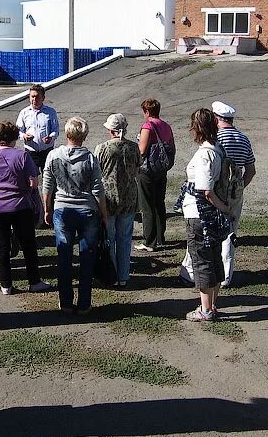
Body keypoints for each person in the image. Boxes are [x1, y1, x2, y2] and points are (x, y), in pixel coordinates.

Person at [180, 102, 256, 288]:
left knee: (206, 233)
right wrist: (238, 188)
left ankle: (194, 272)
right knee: (230, 233)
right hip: (234, 193)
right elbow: (251, 170)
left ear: (216, 119)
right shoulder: (243, 139)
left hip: (214, 192)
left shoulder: (215, 141)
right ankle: (227, 275)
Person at [42, 117, 107, 314]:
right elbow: (98, 189)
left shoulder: (54, 155)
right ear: (84, 135)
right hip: (87, 210)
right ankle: (84, 303)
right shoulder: (89, 157)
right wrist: (104, 214)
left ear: (67, 133)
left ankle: (66, 301)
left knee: (64, 257)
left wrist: (47, 209)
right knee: (87, 258)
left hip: (62, 209)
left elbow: (47, 185)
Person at [0, 121, 52, 295]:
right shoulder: (22, 156)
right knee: (28, 244)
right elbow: (34, 182)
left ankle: (6, 284)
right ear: (15, 137)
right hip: (19, 205)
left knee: (1, 246)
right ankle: (34, 281)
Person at [181, 109, 231, 322]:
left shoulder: (205, 154)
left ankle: (205, 310)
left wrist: (222, 207)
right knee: (214, 258)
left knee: (201, 260)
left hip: (199, 213)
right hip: (210, 214)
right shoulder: (218, 149)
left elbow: (205, 190)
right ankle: (212, 305)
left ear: (197, 128)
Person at [93, 114, 141, 287]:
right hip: (128, 197)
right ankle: (123, 276)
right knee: (125, 238)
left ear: (110, 130)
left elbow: (96, 173)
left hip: (108, 198)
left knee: (109, 238)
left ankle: (111, 274)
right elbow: (137, 169)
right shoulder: (133, 147)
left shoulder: (102, 148)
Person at [135, 98, 175, 252]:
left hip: (147, 170)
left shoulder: (148, 126)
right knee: (159, 203)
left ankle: (149, 241)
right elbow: (171, 146)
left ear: (146, 111)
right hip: (161, 169)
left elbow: (142, 150)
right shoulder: (166, 126)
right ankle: (160, 236)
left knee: (146, 205)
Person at [16, 84, 59, 172]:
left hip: (47, 151)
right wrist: (24, 136)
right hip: (31, 152)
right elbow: (17, 131)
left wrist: (50, 137)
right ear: (29, 97)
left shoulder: (50, 112)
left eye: (37, 97)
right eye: (32, 96)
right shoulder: (24, 113)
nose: (34, 99)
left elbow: (55, 130)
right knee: (31, 181)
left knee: (49, 179)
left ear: (43, 98)